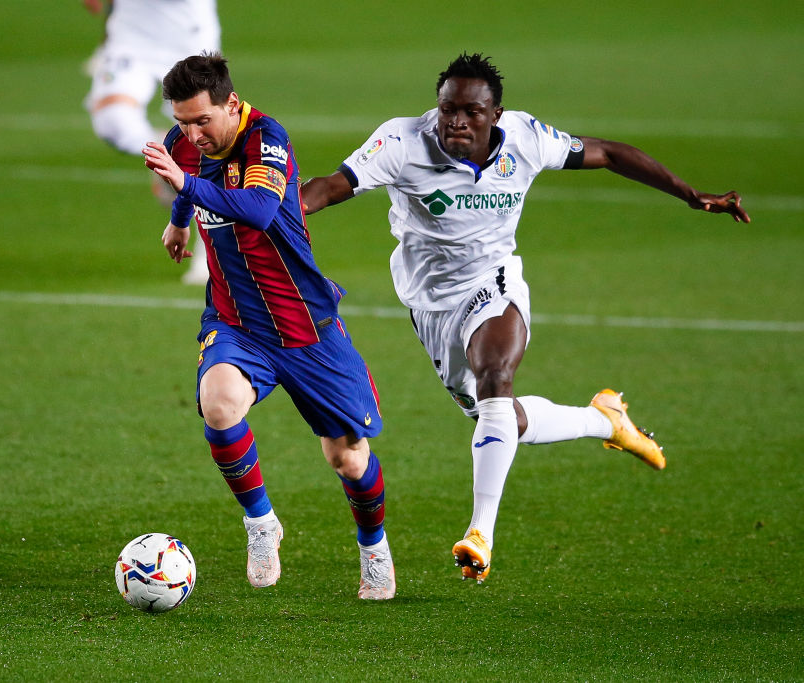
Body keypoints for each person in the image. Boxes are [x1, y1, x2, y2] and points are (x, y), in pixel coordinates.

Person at [302, 53, 750, 584]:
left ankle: (479, 534)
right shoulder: (401, 142)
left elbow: (607, 152)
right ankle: (604, 420)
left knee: (495, 376)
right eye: (448, 109)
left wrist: (691, 196)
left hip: (494, 280)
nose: (456, 121)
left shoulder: (526, 138)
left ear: (496, 114)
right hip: (429, 301)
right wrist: (279, 209)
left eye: (471, 111)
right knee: (499, 418)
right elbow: (331, 186)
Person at [142, 53, 396, 600]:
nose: (193, 133)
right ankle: (261, 525)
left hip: (306, 324)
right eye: (183, 121)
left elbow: (258, 210)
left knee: (347, 457)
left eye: (203, 120)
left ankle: (373, 546)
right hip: (237, 322)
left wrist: (183, 186)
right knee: (218, 401)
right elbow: (184, 172)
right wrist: (177, 222)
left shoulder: (266, 138)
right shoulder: (184, 141)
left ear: (231, 104)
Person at [83, 0, 218, 285]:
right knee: (113, 121)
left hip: (188, 36)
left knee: (206, 142)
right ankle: (165, 153)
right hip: (131, 36)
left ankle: (211, 258)